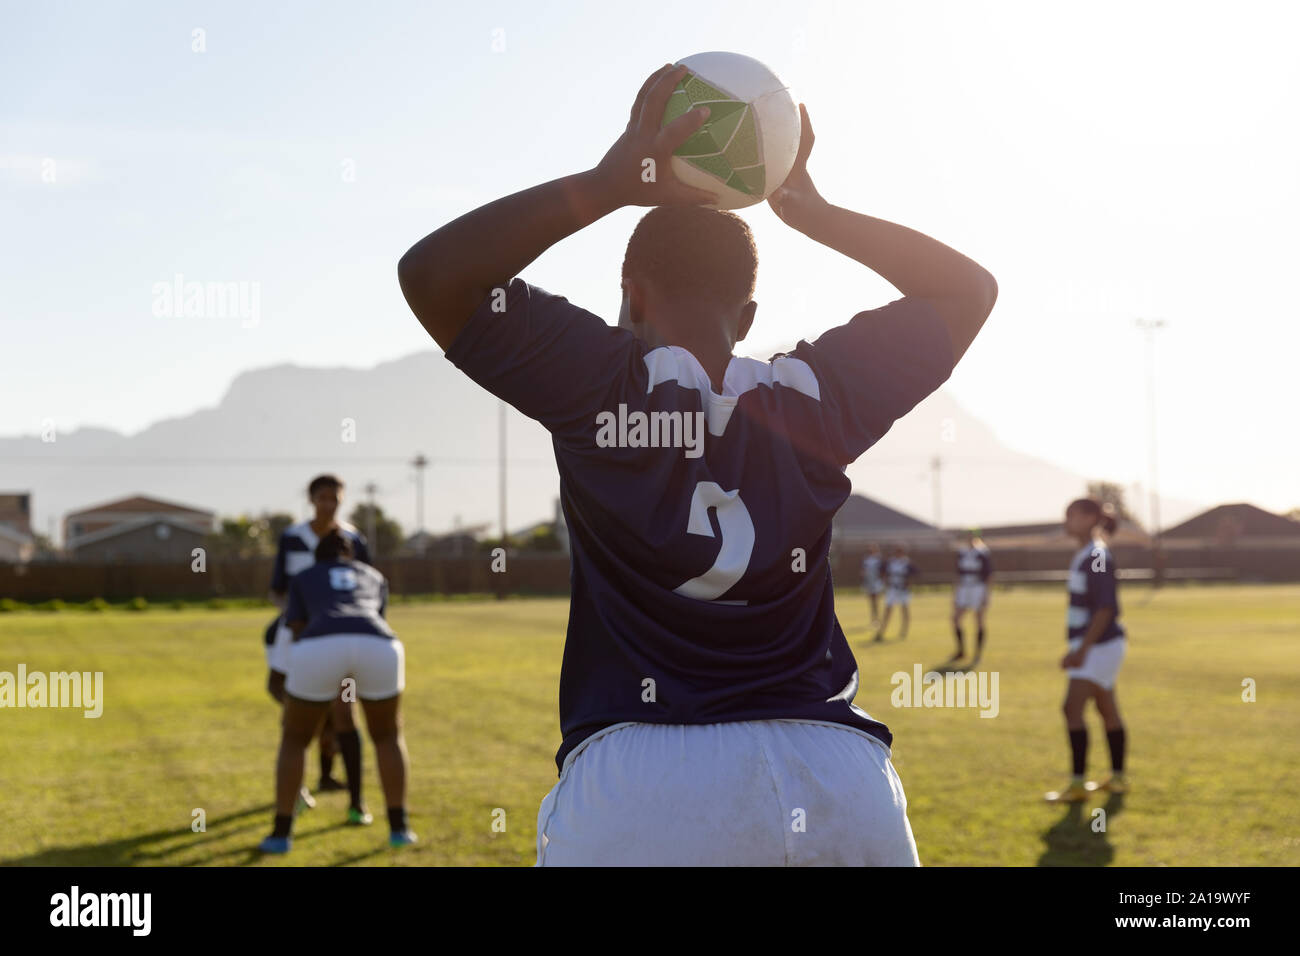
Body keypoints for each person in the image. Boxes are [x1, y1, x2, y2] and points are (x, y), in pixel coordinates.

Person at [397, 63, 996, 865]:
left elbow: (434, 274)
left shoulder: (598, 382)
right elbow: (967, 291)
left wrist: (607, 185)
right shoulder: (815, 399)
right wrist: (809, 211)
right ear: (747, 315)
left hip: (647, 786)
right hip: (836, 780)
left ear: (631, 296)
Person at [258, 530, 414, 853]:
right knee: (388, 736)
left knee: (296, 739)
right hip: (381, 646)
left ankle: (280, 834)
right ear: (351, 556)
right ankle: (399, 828)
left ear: (318, 556)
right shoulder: (374, 576)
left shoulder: (304, 577)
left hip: (320, 645)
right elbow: (370, 621)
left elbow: (297, 626)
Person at [266, 474, 372, 819]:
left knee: (344, 711)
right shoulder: (292, 538)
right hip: (298, 636)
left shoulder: (354, 538)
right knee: (293, 708)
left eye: (334, 498)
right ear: (311, 499)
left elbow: (369, 586)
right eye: (322, 497)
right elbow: (278, 588)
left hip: (339, 638)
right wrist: (294, 614)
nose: (328, 504)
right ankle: (296, 789)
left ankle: (355, 801)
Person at [1044, 498, 1129, 803]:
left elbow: (1105, 609)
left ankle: (1078, 784)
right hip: (1098, 646)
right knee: (1106, 709)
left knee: (1071, 708)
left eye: (1072, 516)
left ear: (1091, 517)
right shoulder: (1086, 552)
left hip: (1099, 647)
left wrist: (1081, 650)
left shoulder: (1096, 555)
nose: (1067, 521)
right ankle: (1118, 778)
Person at [950, 529, 992, 662]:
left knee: (978, 620)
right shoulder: (962, 553)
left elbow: (989, 575)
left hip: (977, 588)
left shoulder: (982, 553)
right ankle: (961, 650)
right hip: (964, 588)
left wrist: (986, 594)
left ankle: (978, 654)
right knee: (955, 619)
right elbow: (958, 574)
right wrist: (955, 593)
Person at [875, 545, 919, 642]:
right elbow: (882, 571)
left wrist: (909, 583)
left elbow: (915, 574)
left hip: (903, 590)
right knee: (887, 610)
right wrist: (885, 581)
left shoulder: (907, 563)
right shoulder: (891, 562)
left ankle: (904, 631)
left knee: (904, 610)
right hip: (892, 588)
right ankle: (881, 632)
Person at [861, 543, 885, 630]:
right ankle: (873, 619)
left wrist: (881, 581)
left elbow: (883, 571)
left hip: (876, 583)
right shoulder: (866, 559)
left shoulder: (879, 559)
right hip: (869, 583)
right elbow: (863, 570)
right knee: (871, 602)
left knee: (876, 601)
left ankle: (877, 619)